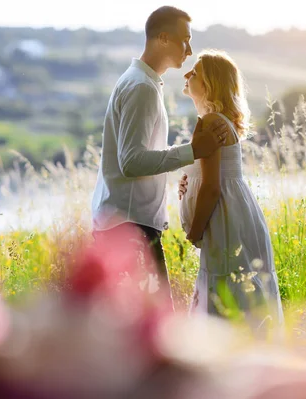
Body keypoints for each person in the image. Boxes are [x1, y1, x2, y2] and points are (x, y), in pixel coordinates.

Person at [91, 6, 229, 304]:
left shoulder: (143, 83)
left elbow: (138, 157)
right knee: (156, 329)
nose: (189, 50)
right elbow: (131, 162)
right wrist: (193, 151)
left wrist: (186, 175)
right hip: (129, 229)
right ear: (163, 38)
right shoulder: (141, 87)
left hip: (125, 223)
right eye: (185, 40)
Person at [178, 49, 284, 331]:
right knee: (244, 291)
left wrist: (195, 231)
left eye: (195, 72)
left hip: (224, 219)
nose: (187, 74)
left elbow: (212, 187)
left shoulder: (211, 122)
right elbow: (206, 175)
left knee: (225, 291)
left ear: (210, 84)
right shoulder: (220, 121)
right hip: (237, 215)